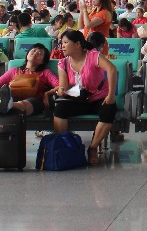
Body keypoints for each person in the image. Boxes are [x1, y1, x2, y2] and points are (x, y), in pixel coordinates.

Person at [53, 30, 118, 165]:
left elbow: (111, 70)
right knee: (60, 109)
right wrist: (61, 91)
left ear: (77, 44)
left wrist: (111, 95)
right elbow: (63, 86)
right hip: (78, 98)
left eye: (65, 43)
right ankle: (62, 146)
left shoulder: (93, 56)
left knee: (108, 110)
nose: (62, 46)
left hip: (99, 97)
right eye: (61, 43)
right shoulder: (63, 63)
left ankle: (93, 148)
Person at [0, 44, 59, 116]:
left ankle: (8, 105)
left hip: (35, 101)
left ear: (42, 61)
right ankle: (7, 105)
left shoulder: (45, 73)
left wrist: (48, 93)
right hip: (13, 98)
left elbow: (60, 85)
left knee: (24, 104)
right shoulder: (14, 71)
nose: (35, 53)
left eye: (40, 53)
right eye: (33, 50)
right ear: (27, 54)